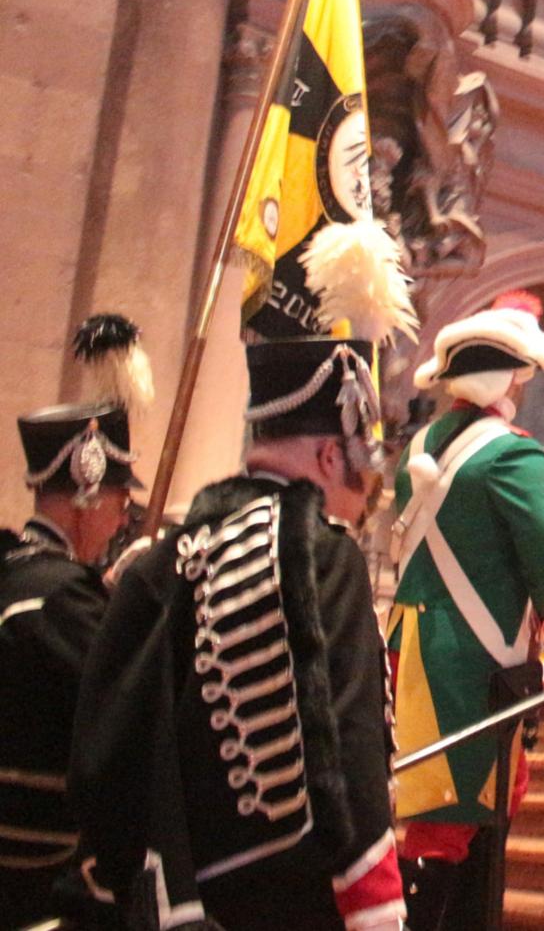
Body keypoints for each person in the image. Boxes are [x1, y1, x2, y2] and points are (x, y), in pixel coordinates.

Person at [71, 330, 408, 929]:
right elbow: (348, 738)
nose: (367, 488)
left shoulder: (157, 559)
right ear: (332, 456)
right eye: (361, 460)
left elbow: (108, 744)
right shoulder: (320, 555)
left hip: (170, 897)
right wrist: (377, 907)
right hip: (285, 895)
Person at [389, 297, 544, 927]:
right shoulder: (512, 453)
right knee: (455, 808)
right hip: (472, 656)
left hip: (412, 640)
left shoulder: (424, 441)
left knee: (454, 802)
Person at [1, 402, 135, 925]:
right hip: (31, 881)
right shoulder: (63, 601)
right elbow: (126, 718)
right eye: (120, 499)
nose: (124, 517)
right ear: (88, 490)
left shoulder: (19, 574)